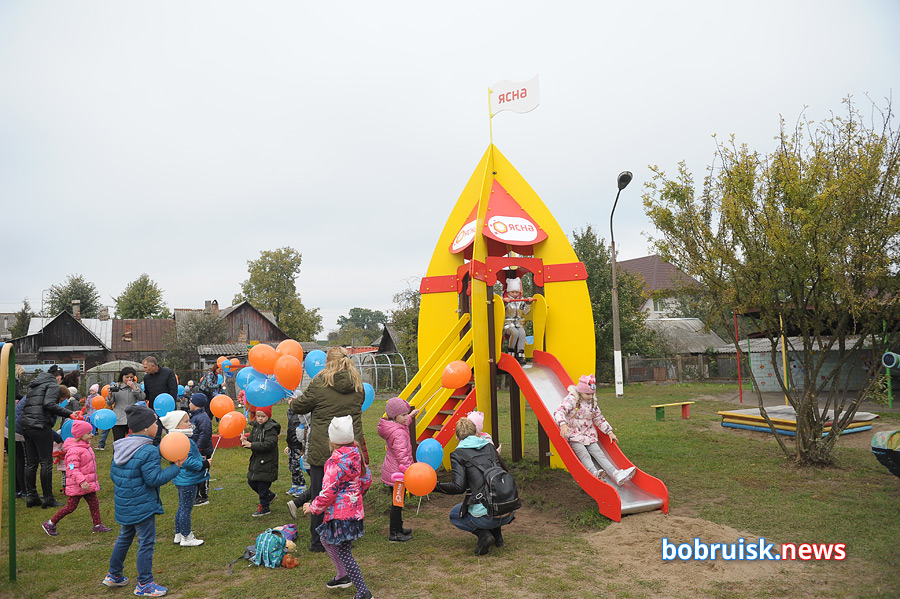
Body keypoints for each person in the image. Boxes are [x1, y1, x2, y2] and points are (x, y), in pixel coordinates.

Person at [288, 346, 366, 552]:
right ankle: (345, 536)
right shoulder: (358, 384)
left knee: (320, 494)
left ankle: (318, 542)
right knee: (347, 493)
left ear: (328, 362)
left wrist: (293, 402)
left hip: (324, 448)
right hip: (350, 448)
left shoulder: (320, 383)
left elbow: (300, 406)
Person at [102, 404, 184, 597]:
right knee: (146, 542)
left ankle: (114, 575)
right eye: (156, 422)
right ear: (147, 427)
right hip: (142, 505)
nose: (158, 425)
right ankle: (145, 583)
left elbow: (114, 476)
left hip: (125, 503)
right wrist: (176, 467)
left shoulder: (121, 445)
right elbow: (154, 479)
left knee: (124, 537)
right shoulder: (148, 450)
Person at [302, 416, 373, 599]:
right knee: (326, 539)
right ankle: (342, 576)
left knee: (344, 551)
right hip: (353, 513)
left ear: (332, 440)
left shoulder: (334, 463)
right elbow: (366, 479)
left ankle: (364, 592)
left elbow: (329, 492)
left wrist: (313, 507)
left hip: (340, 515)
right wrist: (355, 497)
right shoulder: (357, 455)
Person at [435, 418, 516, 555]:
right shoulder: (490, 447)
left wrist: (435, 487)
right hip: (508, 509)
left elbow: (458, 487)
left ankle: (484, 535)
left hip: (486, 515)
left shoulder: (458, 455)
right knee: (491, 494)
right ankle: (498, 537)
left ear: (457, 437)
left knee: (455, 514)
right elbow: (504, 472)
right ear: (477, 433)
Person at [553, 374, 635, 486]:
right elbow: (559, 411)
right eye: (588, 394)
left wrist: (609, 431)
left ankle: (616, 474)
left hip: (588, 434)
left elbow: (598, 418)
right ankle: (594, 473)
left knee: (599, 453)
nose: (590, 397)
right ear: (580, 391)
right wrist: (563, 424)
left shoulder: (592, 402)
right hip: (574, 435)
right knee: (583, 454)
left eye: (592, 394)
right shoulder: (571, 399)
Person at [41, 419, 112, 536]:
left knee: (94, 503)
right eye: (88, 433)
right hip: (79, 485)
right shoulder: (74, 451)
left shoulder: (85, 446)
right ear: (80, 435)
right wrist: (82, 481)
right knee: (70, 507)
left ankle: (98, 525)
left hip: (87, 484)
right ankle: (50, 523)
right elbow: (73, 469)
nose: (92, 435)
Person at [21, 364, 75, 508]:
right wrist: (69, 413)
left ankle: (32, 497)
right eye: (60, 379)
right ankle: (48, 498)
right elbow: (49, 404)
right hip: (40, 425)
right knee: (46, 462)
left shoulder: (34, 385)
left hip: (26, 425)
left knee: (31, 462)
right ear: (58, 377)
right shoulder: (53, 385)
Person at [159, 410, 208, 547]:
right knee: (186, 508)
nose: (190, 424)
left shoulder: (173, 439)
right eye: (186, 421)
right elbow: (186, 461)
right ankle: (187, 537)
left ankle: (178, 534)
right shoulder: (183, 440)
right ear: (176, 425)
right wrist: (203, 464)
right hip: (188, 479)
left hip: (180, 478)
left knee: (182, 507)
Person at [378, 396, 418, 542]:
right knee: (397, 503)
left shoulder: (394, 426)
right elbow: (402, 455)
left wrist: (411, 416)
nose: (406, 417)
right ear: (395, 416)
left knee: (398, 502)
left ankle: (399, 528)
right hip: (398, 474)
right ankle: (394, 533)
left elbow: (404, 423)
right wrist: (410, 471)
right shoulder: (398, 433)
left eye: (406, 414)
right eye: (403, 415)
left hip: (393, 471)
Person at [240, 404, 280, 517]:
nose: (260, 419)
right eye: (258, 416)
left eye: (263, 416)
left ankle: (265, 507)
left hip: (267, 462)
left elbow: (269, 444)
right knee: (251, 481)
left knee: (262, 485)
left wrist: (252, 445)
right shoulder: (256, 427)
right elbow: (252, 439)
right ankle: (270, 495)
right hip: (257, 461)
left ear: (268, 416)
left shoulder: (271, 428)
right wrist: (246, 440)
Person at [107, 367, 146, 443]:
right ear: (122, 377)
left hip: (132, 418)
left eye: (131, 377)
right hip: (119, 418)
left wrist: (134, 388)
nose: (129, 379)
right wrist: (110, 394)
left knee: (133, 442)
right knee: (118, 442)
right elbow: (109, 403)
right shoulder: (116, 386)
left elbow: (142, 397)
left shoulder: (136, 386)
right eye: (127, 377)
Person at [188, 394, 213, 506]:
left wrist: (199, 447)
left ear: (196, 404)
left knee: (203, 472)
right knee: (196, 470)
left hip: (202, 450)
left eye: (190, 402)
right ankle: (196, 494)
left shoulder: (203, 417)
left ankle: (203, 496)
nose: (189, 404)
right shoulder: (193, 416)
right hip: (195, 449)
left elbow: (205, 434)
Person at [503, 275, 531, 364]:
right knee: (514, 332)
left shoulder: (520, 300)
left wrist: (528, 304)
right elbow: (500, 310)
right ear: (508, 292)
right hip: (508, 323)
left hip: (518, 323)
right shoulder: (506, 300)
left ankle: (520, 354)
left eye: (516, 292)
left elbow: (525, 312)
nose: (515, 294)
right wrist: (504, 303)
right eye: (512, 292)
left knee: (522, 333)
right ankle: (510, 352)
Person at [285, 401, 310, 497]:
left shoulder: (301, 413)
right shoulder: (290, 412)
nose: (290, 401)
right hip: (291, 443)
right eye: (289, 398)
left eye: (293, 399)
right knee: (291, 465)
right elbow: (290, 429)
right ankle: (295, 483)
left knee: (297, 465)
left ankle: (302, 484)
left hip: (298, 443)